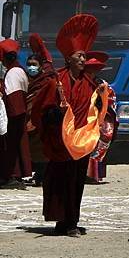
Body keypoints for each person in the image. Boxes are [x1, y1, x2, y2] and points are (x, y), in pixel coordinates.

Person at [30, 14, 106, 237]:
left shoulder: (89, 82)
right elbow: (40, 108)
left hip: (80, 141)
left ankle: (72, 220)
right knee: (60, 180)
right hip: (60, 141)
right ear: (69, 58)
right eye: (80, 56)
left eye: (84, 56)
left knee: (77, 181)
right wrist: (53, 115)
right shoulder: (57, 81)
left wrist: (101, 96)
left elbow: (95, 106)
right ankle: (62, 223)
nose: (84, 60)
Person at [0, 39, 30, 189]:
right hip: (19, 115)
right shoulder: (20, 70)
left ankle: (11, 176)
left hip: (14, 116)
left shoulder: (13, 73)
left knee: (10, 146)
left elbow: (13, 98)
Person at [84, 51, 118, 183]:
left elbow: (111, 102)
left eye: (94, 69)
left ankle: (93, 175)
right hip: (84, 119)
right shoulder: (81, 82)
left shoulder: (103, 84)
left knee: (98, 147)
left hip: (101, 120)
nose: (91, 72)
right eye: (89, 69)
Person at [23, 52, 50, 186]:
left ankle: (42, 175)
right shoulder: (26, 79)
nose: (31, 67)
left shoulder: (45, 81)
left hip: (40, 119)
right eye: (29, 65)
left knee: (41, 149)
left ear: (40, 67)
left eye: (34, 65)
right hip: (27, 118)